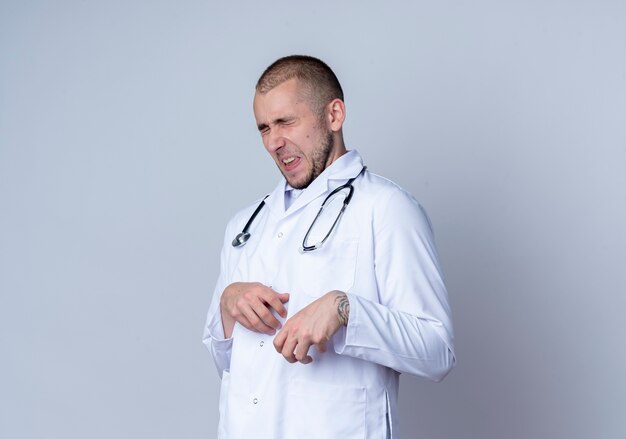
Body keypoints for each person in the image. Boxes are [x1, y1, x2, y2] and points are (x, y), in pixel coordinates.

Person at [203, 55, 455, 439]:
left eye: (286, 122)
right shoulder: (245, 226)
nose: (273, 142)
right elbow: (228, 363)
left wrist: (345, 310)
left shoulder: (385, 208)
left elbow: (437, 351)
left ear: (334, 115)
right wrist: (227, 304)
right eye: (264, 128)